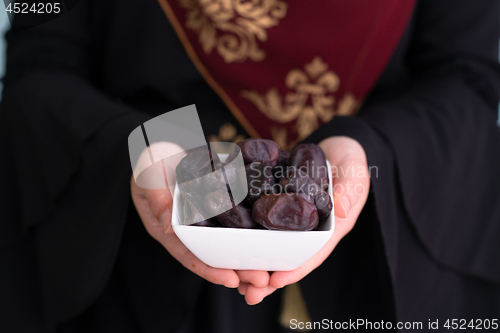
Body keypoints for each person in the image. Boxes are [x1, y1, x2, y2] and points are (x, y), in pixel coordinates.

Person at [1, 0, 500, 332]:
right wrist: (150, 146)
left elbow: (468, 76)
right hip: (133, 265)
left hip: (375, 266)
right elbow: (40, 60)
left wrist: (362, 146)